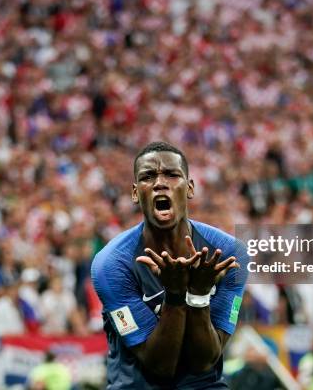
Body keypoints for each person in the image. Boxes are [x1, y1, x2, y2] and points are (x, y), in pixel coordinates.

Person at [91, 141, 248, 389]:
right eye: (148, 176)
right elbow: (161, 366)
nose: (160, 183)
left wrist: (198, 295)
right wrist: (175, 296)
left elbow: (205, 361)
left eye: (172, 174)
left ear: (190, 188)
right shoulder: (111, 264)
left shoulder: (230, 253)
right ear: (135, 193)